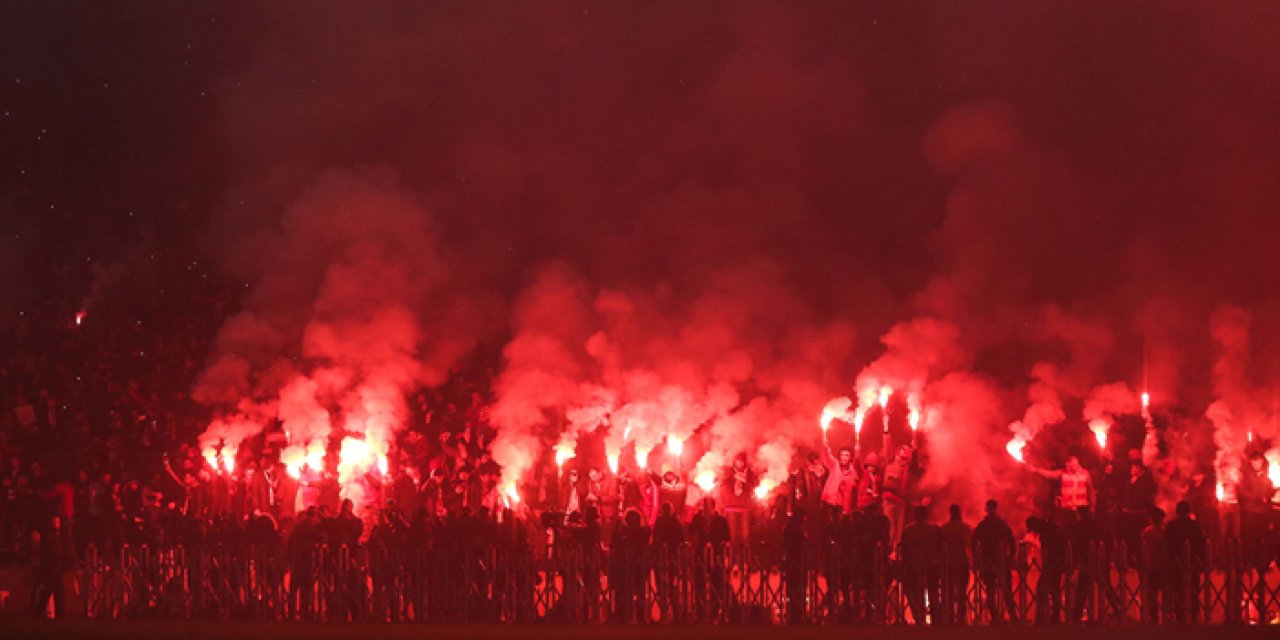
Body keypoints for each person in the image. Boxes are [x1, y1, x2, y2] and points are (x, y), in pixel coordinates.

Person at [972, 499, 1015, 624]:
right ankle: (1002, 615)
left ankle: (1006, 615)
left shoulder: (991, 525)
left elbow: (974, 541)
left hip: (995, 560)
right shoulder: (997, 524)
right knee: (996, 590)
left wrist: (1011, 555)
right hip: (994, 561)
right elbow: (1011, 540)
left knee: (1003, 589)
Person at [1163, 500, 1205, 624]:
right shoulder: (1195, 525)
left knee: (1177, 586)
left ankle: (1179, 611)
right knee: (1193, 587)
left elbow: (1166, 543)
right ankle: (1194, 611)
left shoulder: (1171, 525)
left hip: (1176, 560)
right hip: (1192, 560)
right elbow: (1201, 542)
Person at [900, 505, 943, 625]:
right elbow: (940, 547)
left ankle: (919, 617)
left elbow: (904, 550)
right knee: (933, 593)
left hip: (914, 565)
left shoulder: (908, 530)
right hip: (931, 565)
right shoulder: (934, 529)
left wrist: (908, 564)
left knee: (915, 593)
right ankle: (936, 619)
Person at [1028, 455, 1094, 530]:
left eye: (1070, 466)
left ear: (1076, 464)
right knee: (1067, 530)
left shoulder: (1085, 473)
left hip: (1081, 508)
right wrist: (1036, 470)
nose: (1068, 468)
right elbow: (1050, 474)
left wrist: (1092, 506)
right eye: (1067, 466)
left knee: (1082, 531)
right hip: (1067, 509)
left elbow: (1091, 490)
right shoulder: (1063, 472)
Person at [1026, 515, 1067, 625]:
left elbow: (1047, 552)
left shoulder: (1046, 533)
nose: (1034, 532)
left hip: (1053, 564)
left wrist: (1046, 567)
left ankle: (1045, 617)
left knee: (1044, 589)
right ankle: (1053, 616)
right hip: (1058, 563)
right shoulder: (1051, 527)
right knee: (1054, 589)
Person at [939, 504, 972, 625]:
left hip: (948, 563)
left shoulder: (943, 528)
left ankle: (948, 615)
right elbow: (971, 545)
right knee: (962, 590)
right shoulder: (966, 528)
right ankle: (961, 616)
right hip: (963, 562)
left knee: (948, 590)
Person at [721, 453, 756, 547]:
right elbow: (723, 485)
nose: (739, 463)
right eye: (737, 460)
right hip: (731, 506)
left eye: (741, 460)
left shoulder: (750, 473)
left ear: (744, 462)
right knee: (733, 537)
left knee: (746, 537)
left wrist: (745, 481)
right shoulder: (729, 472)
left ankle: (746, 558)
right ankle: (733, 558)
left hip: (745, 506)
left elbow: (754, 486)